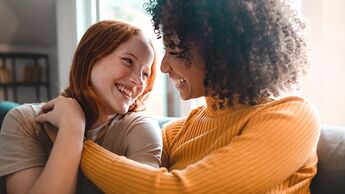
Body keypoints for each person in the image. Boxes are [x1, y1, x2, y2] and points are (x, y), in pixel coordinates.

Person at [37, 0, 320, 193]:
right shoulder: (179, 131)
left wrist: (73, 135)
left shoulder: (293, 117)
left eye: (174, 51)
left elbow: (180, 189)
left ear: (219, 53)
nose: (162, 67)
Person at [0, 20, 162, 194]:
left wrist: (72, 129)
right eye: (128, 61)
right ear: (90, 58)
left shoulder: (140, 129)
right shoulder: (25, 121)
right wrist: (72, 129)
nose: (138, 81)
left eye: (145, 73)